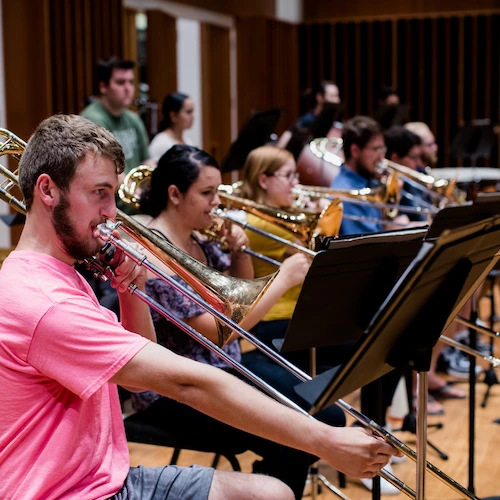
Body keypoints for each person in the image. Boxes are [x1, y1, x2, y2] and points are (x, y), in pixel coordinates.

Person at [0, 113, 400, 500]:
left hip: (102, 474)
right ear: (48, 191)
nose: (112, 212)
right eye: (99, 194)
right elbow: (187, 382)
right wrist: (326, 441)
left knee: (272, 493)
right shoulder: (45, 300)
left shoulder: (61, 271)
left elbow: (133, 382)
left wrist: (129, 290)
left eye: (113, 195)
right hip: (64, 490)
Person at [131, 143, 347, 499]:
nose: (218, 201)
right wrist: (283, 277)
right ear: (174, 194)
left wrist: (238, 252)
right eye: (207, 193)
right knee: (299, 437)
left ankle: (273, 485)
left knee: (328, 415)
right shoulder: (155, 256)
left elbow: (237, 296)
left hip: (224, 370)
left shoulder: (198, 237)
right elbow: (217, 333)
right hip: (177, 392)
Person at [331, 115, 412, 236]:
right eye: (376, 149)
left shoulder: (370, 182)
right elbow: (369, 246)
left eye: (382, 149)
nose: (381, 158)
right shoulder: (348, 193)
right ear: (355, 151)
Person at [81, 56, 154, 175]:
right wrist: (135, 191)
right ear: (103, 87)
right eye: (121, 82)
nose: (128, 88)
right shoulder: (92, 119)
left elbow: (147, 160)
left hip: (134, 189)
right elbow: (108, 170)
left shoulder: (133, 118)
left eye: (131, 82)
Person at [276, 80, 342, 150]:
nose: (337, 100)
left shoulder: (336, 121)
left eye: (337, 96)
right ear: (319, 97)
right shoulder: (307, 120)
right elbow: (287, 136)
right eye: (332, 96)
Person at [149, 92, 195, 163]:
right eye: (188, 112)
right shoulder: (161, 142)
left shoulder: (187, 140)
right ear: (173, 116)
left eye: (192, 112)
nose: (192, 116)